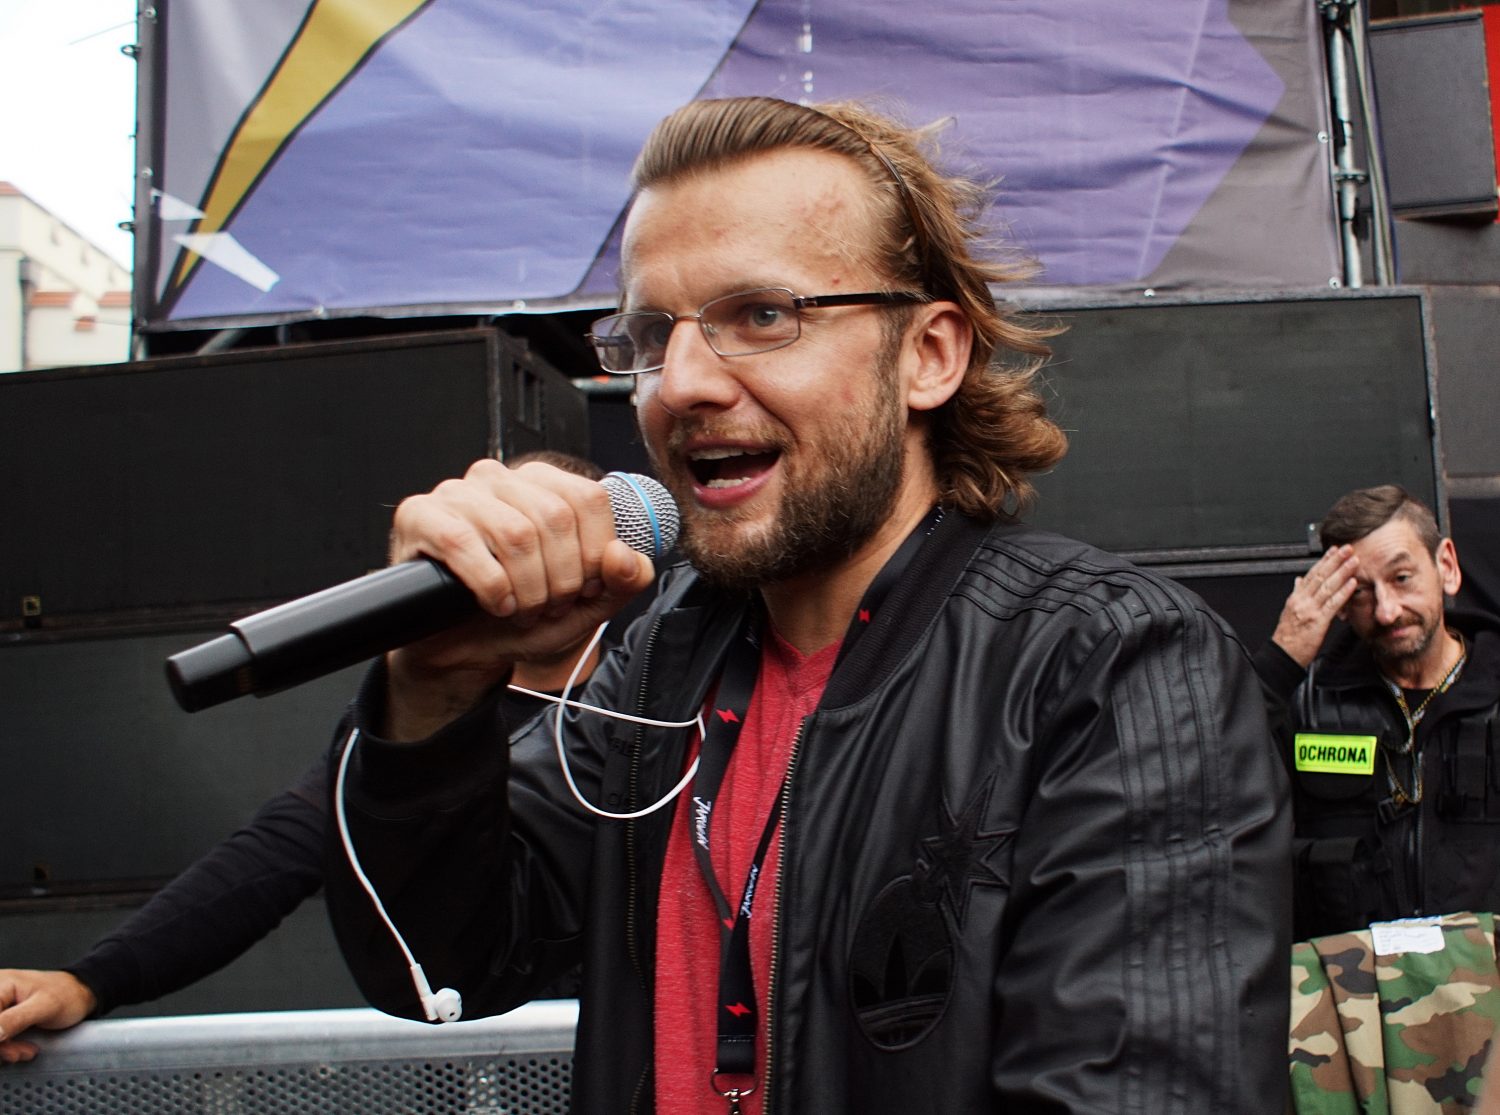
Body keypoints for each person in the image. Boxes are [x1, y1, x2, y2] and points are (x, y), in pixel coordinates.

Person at [323, 95, 1290, 1113]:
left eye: (761, 315)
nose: (681, 382)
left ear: (928, 355)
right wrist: (435, 686)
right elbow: (439, 959)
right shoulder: (666, 659)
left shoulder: (1110, 662)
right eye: (650, 333)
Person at [0, 451, 612, 1066]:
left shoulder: (641, 712)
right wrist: (88, 981)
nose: (524, 567)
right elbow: (267, 858)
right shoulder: (421, 728)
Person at [1255, 484, 1500, 942]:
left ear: (1446, 567)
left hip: (1485, 978)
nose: (1387, 612)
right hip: (1351, 981)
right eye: (1361, 592)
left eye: (1402, 578)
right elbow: (1210, 789)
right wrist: (1279, 663)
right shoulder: (1307, 704)